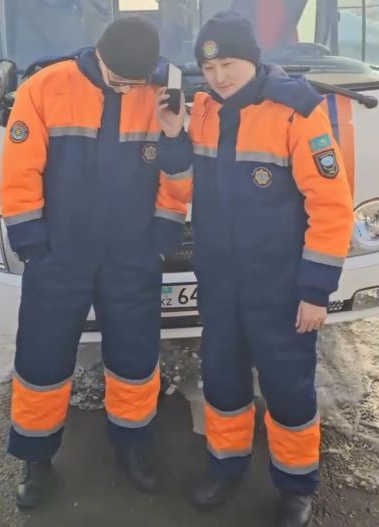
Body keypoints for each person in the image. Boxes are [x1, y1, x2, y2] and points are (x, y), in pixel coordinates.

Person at [156, 10, 353, 526]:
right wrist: (174, 137)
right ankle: (226, 466)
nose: (219, 76)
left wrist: (315, 290)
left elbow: (331, 207)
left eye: (229, 64)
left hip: (281, 286)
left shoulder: (295, 111)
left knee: (288, 387)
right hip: (220, 282)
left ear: (252, 58)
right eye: (209, 67)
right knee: (222, 379)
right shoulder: (203, 108)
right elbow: (185, 185)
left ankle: (296, 486)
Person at [0, 16, 190, 509]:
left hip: (131, 256)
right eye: (118, 80)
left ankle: (133, 447)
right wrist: (33, 244)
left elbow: (176, 181)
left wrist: (161, 237)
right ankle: (35, 459)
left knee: (135, 358)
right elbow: (19, 173)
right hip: (59, 255)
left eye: (134, 82)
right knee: (42, 358)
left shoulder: (163, 93)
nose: (127, 89)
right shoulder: (45, 88)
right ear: (98, 56)